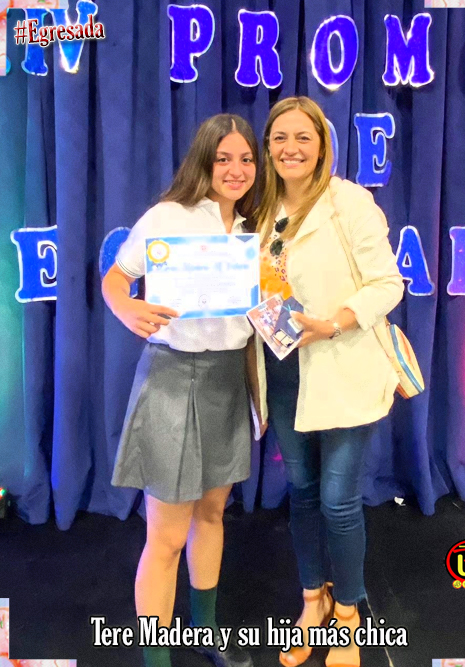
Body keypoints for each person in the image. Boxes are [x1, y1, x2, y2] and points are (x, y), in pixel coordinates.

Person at [102, 114, 264, 667]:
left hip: (227, 379)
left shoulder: (255, 228)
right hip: (173, 378)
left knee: (212, 515)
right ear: (203, 161)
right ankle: (156, 660)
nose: (236, 170)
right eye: (224, 159)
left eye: (246, 159)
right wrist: (127, 308)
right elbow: (116, 277)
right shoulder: (167, 216)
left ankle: (205, 630)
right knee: (166, 537)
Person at [254, 97, 404, 667]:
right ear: (268, 147)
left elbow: (387, 283)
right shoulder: (258, 211)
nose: (290, 148)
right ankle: (311, 601)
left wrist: (334, 323)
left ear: (322, 145)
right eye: (280, 138)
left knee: (339, 501)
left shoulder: (350, 203)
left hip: (343, 366)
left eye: (303, 137)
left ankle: (347, 616)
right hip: (284, 371)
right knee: (302, 492)